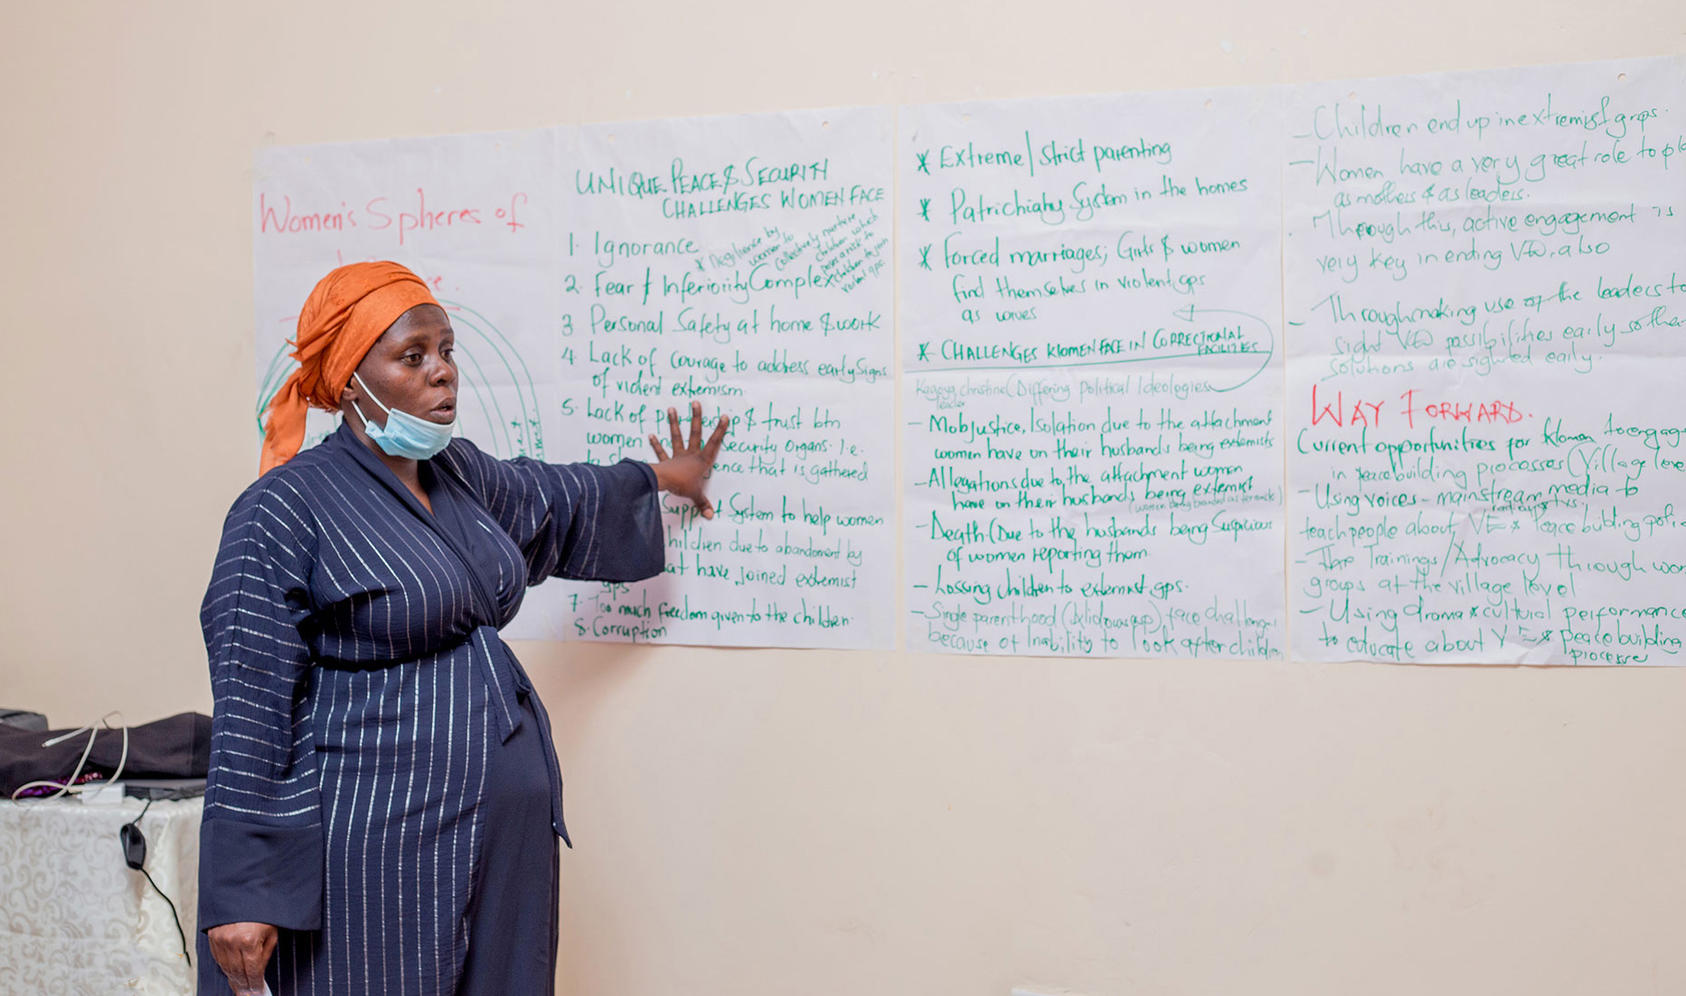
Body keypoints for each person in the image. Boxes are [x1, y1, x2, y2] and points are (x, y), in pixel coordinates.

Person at [198, 261, 728, 996]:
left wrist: (664, 480)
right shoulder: (283, 508)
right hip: (379, 851)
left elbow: (559, 497)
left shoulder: (460, 475)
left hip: (498, 843)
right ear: (352, 380)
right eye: (412, 357)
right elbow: (252, 698)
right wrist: (244, 890)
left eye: (446, 351)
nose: (442, 373)